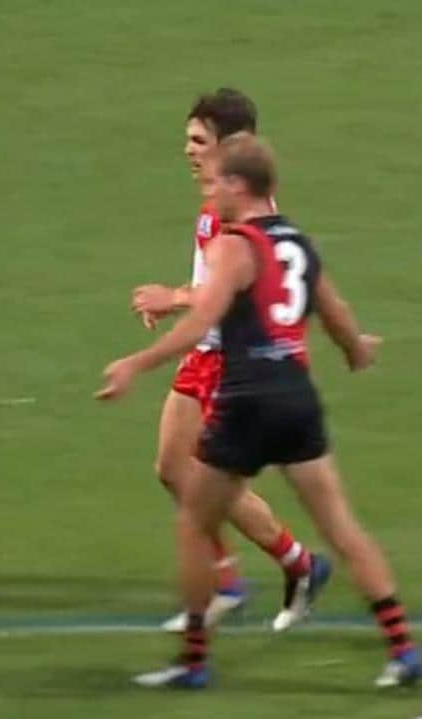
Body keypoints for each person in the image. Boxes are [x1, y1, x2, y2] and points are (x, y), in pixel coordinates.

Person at [99, 135, 418, 689]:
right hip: (298, 400)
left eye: (215, 180)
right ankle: (402, 649)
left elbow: (200, 325)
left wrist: (136, 364)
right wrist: (357, 352)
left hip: (246, 402)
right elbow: (337, 314)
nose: (209, 190)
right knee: (341, 527)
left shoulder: (234, 245)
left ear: (238, 185)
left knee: (195, 526)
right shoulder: (299, 242)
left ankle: (193, 662)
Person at [130, 88, 324, 632]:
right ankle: (232, 583)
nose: (187, 151)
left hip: (232, 361)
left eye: (198, 141)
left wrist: (171, 299)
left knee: (209, 483)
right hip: (205, 351)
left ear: (230, 145)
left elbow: (227, 291)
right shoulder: (216, 204)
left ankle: (297, 565)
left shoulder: (242, 214)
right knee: (173, 469)